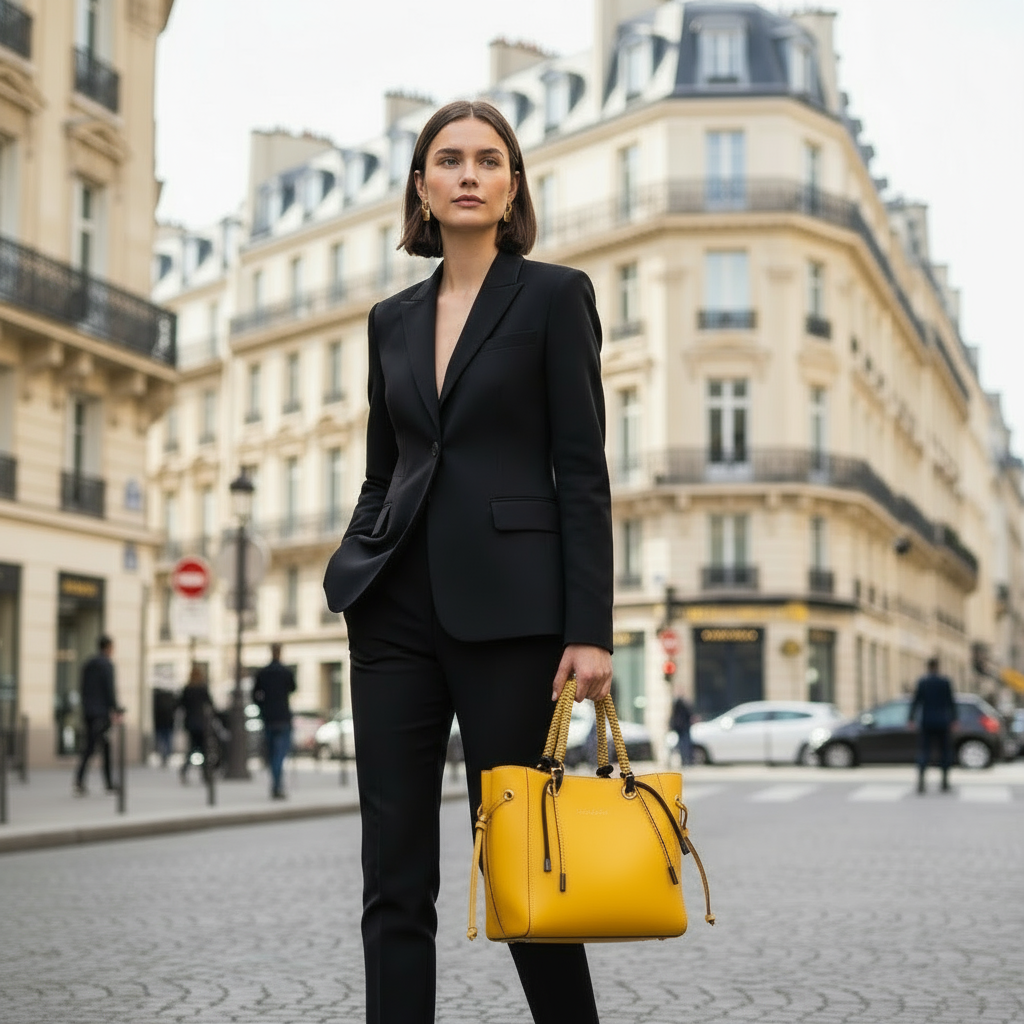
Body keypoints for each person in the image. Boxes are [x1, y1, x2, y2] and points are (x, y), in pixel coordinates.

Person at [323, 100, 613, 1024]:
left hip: (513, 617)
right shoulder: (390, 319)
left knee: (525, 863)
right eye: (448, 160)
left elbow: (582, 470)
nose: (469, 174)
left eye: (489, 160)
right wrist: (358, 558)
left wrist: (590, 630)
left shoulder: (555, 297)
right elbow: (386, 467)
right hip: (394, 615)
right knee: (393, 875)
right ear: (422, 187)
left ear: (512, 187)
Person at [73, 635, 122, 796]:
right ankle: (107, 783)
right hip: (101, 713)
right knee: (103, 747)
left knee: (90, 747)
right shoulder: (106, 665)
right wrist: (115, 709)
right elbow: (109, 689)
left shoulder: (88, 664)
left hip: (88, 711)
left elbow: (82, 688)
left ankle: (80, 780)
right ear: (108, 647)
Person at [252, 643, 296, 799]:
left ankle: (276, 785)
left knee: (272, 754)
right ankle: (277, 786)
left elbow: (255, 695)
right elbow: (293, 688)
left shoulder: (263, 673)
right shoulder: (285, 672)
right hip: (283, 717)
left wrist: (263, 707)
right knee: (279, 754)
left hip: (269, 717)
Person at [909, 656, 957, 793]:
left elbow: (916, 701)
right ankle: (944, 782)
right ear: (938, 667)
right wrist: (954, 719)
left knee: (924, 751)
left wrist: (911, 718)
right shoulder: (945, 682)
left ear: (928, 667)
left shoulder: (923, 682)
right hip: (943, 721)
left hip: (927, 721)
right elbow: (951, 702)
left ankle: (921, 782)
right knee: (944, 752)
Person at [177, 664, 213, 783]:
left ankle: (185, 769)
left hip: (190, 723)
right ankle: (205, 773)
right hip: (202, 723)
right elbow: (210, 704)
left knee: (192, 748)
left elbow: (180, 705)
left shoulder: (187, 689)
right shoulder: (202, 688)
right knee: (203, 749)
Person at [152, 686, 177, 767]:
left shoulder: (156, 698)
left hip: (160, 722)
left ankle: (163, 755)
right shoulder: (171, 697)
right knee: (168, 739)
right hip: (168, 722)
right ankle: (166, 755)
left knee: (161, 739)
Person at [670, 694, 693, 766]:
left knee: (682, 744)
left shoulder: (676, 707)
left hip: (680, 727)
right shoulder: (683, 707)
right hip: (683, 728)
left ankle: (685, 760)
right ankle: (686, 760)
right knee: (685, 744)